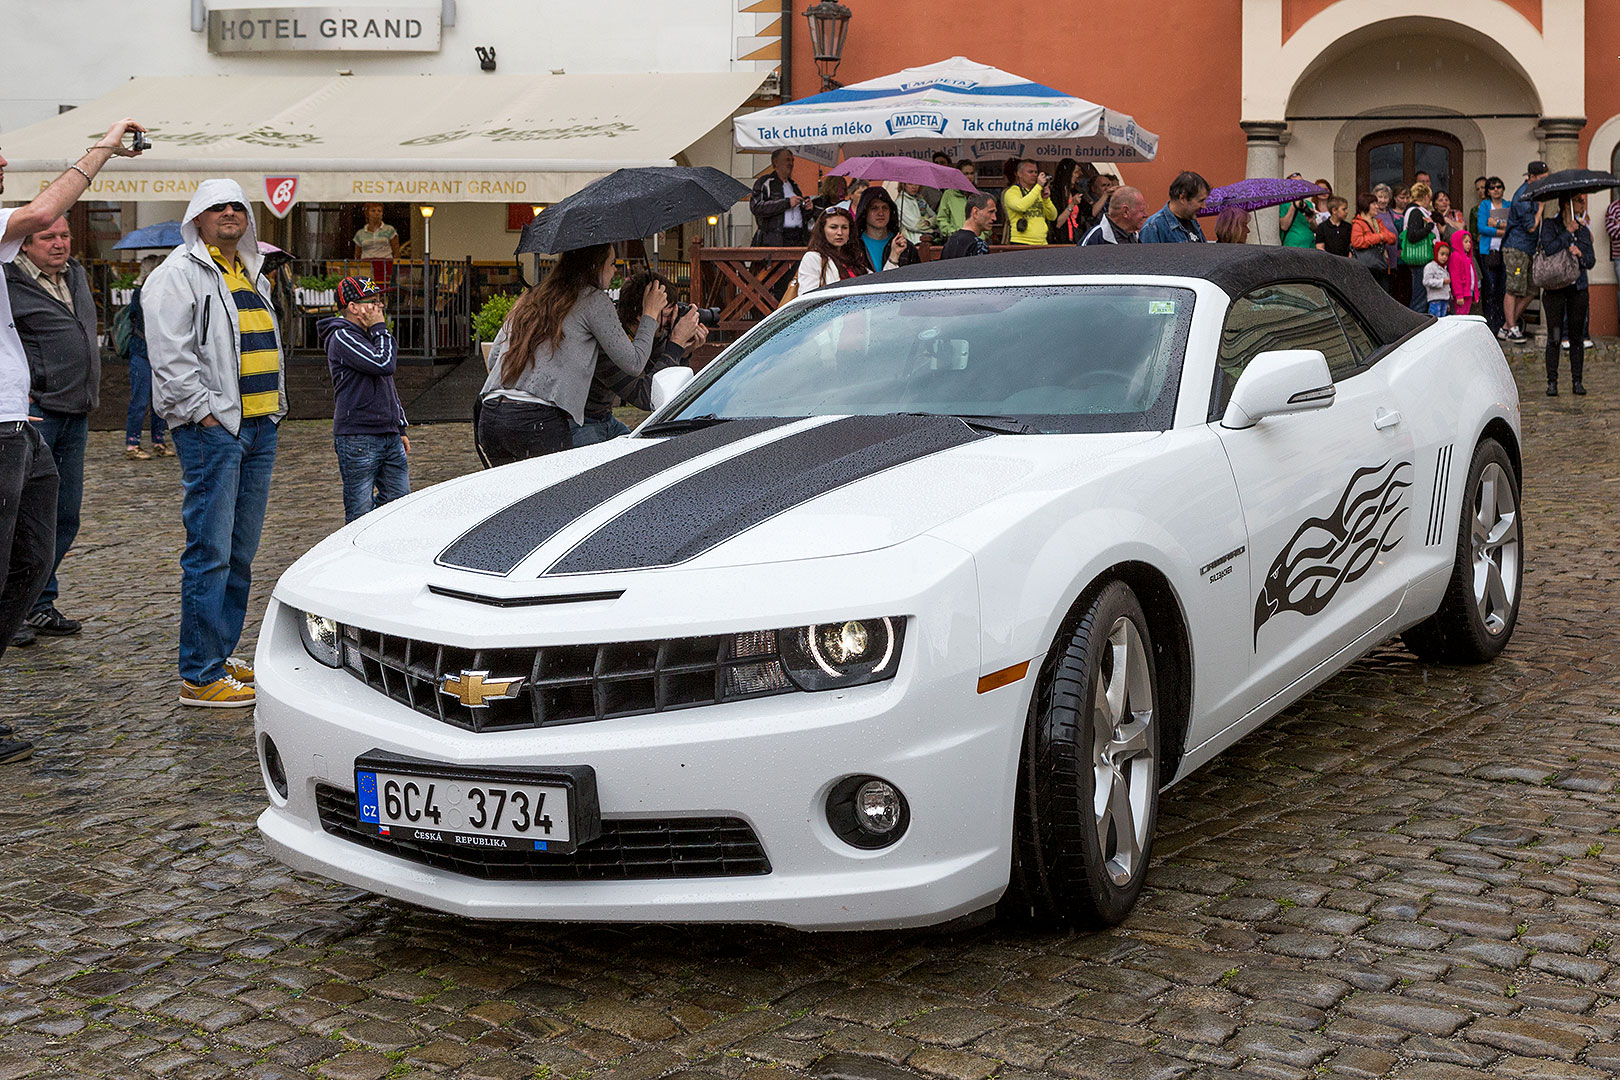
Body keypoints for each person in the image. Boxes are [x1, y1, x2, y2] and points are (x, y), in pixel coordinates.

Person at [0, 116, 147, 761]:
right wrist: (103, 150)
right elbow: (44, 209)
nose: (2, 165)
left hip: (20, 425)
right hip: (4, 428)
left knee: (32, 561)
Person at [143, 179, 286, 708]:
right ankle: (199, 675)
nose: (229, 213)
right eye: (216, 207)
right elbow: (170, 354)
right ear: (196, 218)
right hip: (216, 431)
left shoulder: (249, 273)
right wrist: (202, 414)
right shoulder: (176, 275)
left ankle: (219, 655)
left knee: (240, 552)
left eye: (237, 207)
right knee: (210, 552)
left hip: (258, 424)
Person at [478, 244, 664, 465]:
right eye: (612, 263)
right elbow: (634, 363)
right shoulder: (593, 300)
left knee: (518, 496)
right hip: (538, 420)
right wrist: (650, 314)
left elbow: (494, 358)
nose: (615, 270)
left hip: (491, 415)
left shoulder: (531, 297)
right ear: (595, 266)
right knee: (554, 496)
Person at [4, 216, 99, 645]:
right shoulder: (10, 281)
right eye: (48, 236)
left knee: (64, 514)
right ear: (24, 244)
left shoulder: (76, 273)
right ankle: (14, 607)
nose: (59, 243)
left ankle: (39, 602)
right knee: (19, 519)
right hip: (37, 411)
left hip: (76, 408)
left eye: (64, 235)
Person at [575, 270, 705, 446]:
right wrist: (676, 344)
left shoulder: (645, 338)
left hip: (605, 419)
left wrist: (683, 352)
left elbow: (664, 382)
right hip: (582, 424)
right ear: (641, 315)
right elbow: (647, 396)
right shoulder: (611, 339)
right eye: (666, 315)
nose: (671, 322)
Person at [319, 277, 409, 523]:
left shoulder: (372, 335)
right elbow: (383, 363)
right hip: (359, 436)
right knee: (360, 511)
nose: (379, 307)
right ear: (353, 307)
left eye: (380, 301)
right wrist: (381, 329)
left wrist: (399, 425)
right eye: (372, 302)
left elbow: (387, 384)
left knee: (400, 502)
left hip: (388, 434)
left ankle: (381, 544)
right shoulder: (342, 338)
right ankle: (359, 553)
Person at [1540, 195, 1595, 396]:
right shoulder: (1549, 225)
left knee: (1576, 336)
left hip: (1577, 289)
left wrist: (1580, 253)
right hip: (1555, 289)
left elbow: (1591, 261)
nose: (1583, 204)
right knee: (1554, 336)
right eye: (1579, 200)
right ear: (1567, 204)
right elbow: (1549, 248)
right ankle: (1552, 381)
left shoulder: (1583, 231)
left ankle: (1577, 381)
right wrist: (1567, 232)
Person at [123, 255, 170, 461]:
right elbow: (135, 316)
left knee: (160, 400)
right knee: (140, 399)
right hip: (141, 351)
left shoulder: (167, 293)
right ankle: (132, 444)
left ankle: (158, 441)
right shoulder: (140, 293)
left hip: (159, 352)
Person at [1501, 160, 1549, 342]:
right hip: (1516, 248)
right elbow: (1531, 226)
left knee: (1531, 289)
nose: (1544, 182)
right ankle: (1512, 328)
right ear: (1531, 177)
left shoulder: (1534, 192)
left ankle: (1506, 326)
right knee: (1513, 288)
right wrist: (1541, 209)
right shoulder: (1523, 196)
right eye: (1541, 178)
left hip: (1529, 248)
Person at [795, 206, 869, 292]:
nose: (840, 233)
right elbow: (807, 297)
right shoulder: (813, 258)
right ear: (823, 230)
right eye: (833, 227)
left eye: (844, 227)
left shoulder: (855, 257)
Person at [749, 149, 808, 247]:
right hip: (775, 239)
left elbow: (801, 214)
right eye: (787, 160)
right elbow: (756, 207)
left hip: (797, 238)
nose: (791, 163)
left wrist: (807, 208)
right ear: (776, 162)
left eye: (792, 160)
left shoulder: (793, 185)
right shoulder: (765, 182)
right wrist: (786, 203)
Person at [853, 187, 918, 272]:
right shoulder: (854, 246)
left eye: (885, 208)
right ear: (864, 212)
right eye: (874, 208)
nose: (880, 213)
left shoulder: (905, 247)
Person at [1401, 182, 1441, 313]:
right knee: (1420, 296)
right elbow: (1413, 236)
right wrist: (1429, 227)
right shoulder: (1416, 212)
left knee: (1420, 294)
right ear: (1424, 197)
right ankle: (1417, 326)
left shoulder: (1413, 211)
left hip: (1419, 260)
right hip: (1421, 259)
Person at [1476, 176, 1510, 334]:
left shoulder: (1508, 205)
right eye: (1492, 187)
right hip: (1487, 252)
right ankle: (1490, 324)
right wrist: (1502, 230)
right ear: (1488, 191)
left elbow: (1512, 225)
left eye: (1499, 187)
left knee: (1502, 289)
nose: (1496, 190)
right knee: (1490, 287)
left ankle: (1501, 323)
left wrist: (1496, 224)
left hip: (1504, 252)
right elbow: (1481, 227)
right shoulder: (1484, 205)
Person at [1139, 171, 1210, 243]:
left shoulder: (1192, 221)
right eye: (1201, 201)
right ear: (1183, 198)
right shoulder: (1153, 227)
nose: (1204, 206)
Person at [1003, 160, 1057, 246]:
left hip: (1042, 242)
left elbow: (1052, 216)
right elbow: (1021, 206)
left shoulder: (1038, 191)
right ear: (1019, 174)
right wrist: (1038, 186)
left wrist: (1046, 199)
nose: (1034, 175)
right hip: (1021, 242)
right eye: (1030, 172)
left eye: (1036, 172)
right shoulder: (1011, 192)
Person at [1350, 193, 1397, 291]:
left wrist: (1379, 237)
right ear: (1366, 205)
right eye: (1374, 204)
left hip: (1379, 266)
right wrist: (1379, 237)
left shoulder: (1378, 222)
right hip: (1366, 268)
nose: (1377, 207)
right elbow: (1357, 242)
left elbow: (1392, 238)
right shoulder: (1358, 224)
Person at [1078, 186, 1149, 245]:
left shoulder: (1135, 238)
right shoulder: (1096, 237)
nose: (1146, 215)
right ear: (1125, 212)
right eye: (1142, 210)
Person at [940, 193, 998, 259]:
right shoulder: (978, 245)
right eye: (991, 212)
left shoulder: (950, 242)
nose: (994, 218)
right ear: (975, 212)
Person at [933, 161, 978, 239]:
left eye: (972, 173)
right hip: (955, 239)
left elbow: (985, 219)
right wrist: (953, 232)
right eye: (966, 174)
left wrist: (982, 235)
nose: (969, 176)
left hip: (976, 239)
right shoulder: (949, 194)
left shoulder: (978, 195)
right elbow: (942, 218)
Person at [1371, 184, 1402, 295]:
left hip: (1393, 257)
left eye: (1385, 197)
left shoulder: (1390, 213)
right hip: (1381, 257)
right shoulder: (1373, 214)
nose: (1383, 200)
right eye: (1380, 197)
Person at [1048, 158, 1086, 245]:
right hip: (1061, 240)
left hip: (1075, 239)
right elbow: (1058, 223)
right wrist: (1072, 204)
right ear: (1068, 173)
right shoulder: (1054, 192)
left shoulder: (1075, 192)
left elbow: (1091, 212)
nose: (1079, 175)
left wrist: (1105, 194)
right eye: (1076, 172)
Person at [1279, 174, 1319, 248]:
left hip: (1309, 246)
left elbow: (1315, 229)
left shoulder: (1308, 204)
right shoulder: (1283, 204)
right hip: (1292, 246)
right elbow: (1284, 227)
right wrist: (1293, 206)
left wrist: (1312, 220)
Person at [1449, 228, 1480, 316]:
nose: (1469, 244)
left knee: (1465, 314)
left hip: (1469, 292)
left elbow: (1473, 276)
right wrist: (1459, 295)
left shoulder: (1468, 258)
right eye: (1465, 242)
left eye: (1470, 242)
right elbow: (1456, 278)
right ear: (1458, 242)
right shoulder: (1456, 256)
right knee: (1460, 315)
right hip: (1462, 293)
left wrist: (1475, 293)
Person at [1422, 243, 1452, 318]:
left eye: (1446, 255)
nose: (1444, 257)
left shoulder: (1445, 268)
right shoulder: (1430, 267)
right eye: (1442, 254)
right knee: (1436, 320)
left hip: (1444, 299)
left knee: (1443, 320)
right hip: (1435, 300)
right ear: (1436, 253)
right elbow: (1426, 281)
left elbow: (1447, 287)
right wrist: (1441, 282)